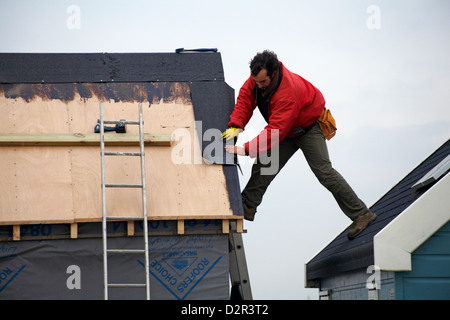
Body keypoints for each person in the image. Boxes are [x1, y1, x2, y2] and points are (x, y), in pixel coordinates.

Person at [223, 50, 376, 240]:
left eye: (263, 82)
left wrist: (245, 149)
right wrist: (236, 126)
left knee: (324, 173)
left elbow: (276, 129)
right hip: (287, 128)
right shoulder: (256, 79)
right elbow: (246, 100)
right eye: (256, 82)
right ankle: (247, 205)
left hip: (308, 128)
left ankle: (361, 214)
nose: (259, 86)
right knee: (265, 164)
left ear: (274, 73)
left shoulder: (288, 91)